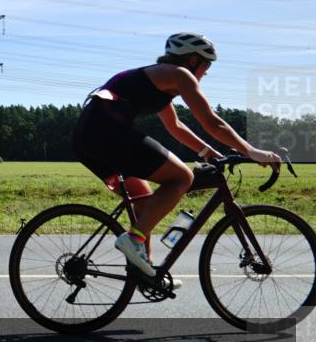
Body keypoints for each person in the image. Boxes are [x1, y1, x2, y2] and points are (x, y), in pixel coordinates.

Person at [72, 33, 281, 278]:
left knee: (145, 202)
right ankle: (133, 240)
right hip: (107, 133)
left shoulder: (160, 79)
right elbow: (213, 123)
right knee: (181, 178)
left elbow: (175, 126)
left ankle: (143, 272)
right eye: (207, 65)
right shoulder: (180, 75)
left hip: (88, 137)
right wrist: (253, 152)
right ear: (192, 60)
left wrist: (208, 152)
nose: (206, 72)